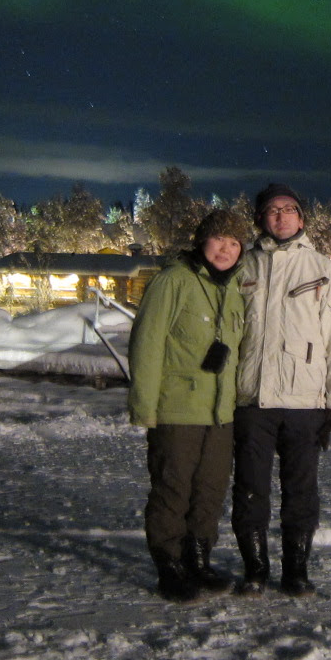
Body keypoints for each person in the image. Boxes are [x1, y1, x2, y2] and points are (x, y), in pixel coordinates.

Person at [231, 183, 331, 596]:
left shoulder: (322, 266)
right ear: (260, 219)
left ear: (301, 218)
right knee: (250, 490)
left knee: (301, 492)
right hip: (252, 400)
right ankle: (255, 570)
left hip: (305, 403)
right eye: (272, 210)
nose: (281, 217)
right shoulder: (244, 267)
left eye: (289, 209)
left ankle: (296, 571)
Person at [127, 207, 249, 602]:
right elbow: (146, 345)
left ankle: (199, 560)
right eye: (218, 240)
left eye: (234, 242)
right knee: (173, 489)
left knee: (210, 491)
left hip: (219, 414)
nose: (225, 249)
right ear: (201, 242)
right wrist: (145, 407)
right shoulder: (172, 281)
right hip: (177, 409)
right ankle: (170, 567)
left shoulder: (233, 289)